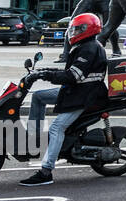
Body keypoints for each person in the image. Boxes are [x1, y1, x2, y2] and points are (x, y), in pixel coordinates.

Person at [19, 12, 109, 186]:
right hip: (75, 91)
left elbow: (73, 76)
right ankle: (34, 137)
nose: (73, 33)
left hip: (84, 96)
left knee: (56, 128)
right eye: (73, 29)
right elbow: (68, 74)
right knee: (38, 97)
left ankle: (46, 172)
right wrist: (42, 72)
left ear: (87, 29)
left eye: (77, 29)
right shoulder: (85, 45)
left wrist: (45, 75)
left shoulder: (90, 48)